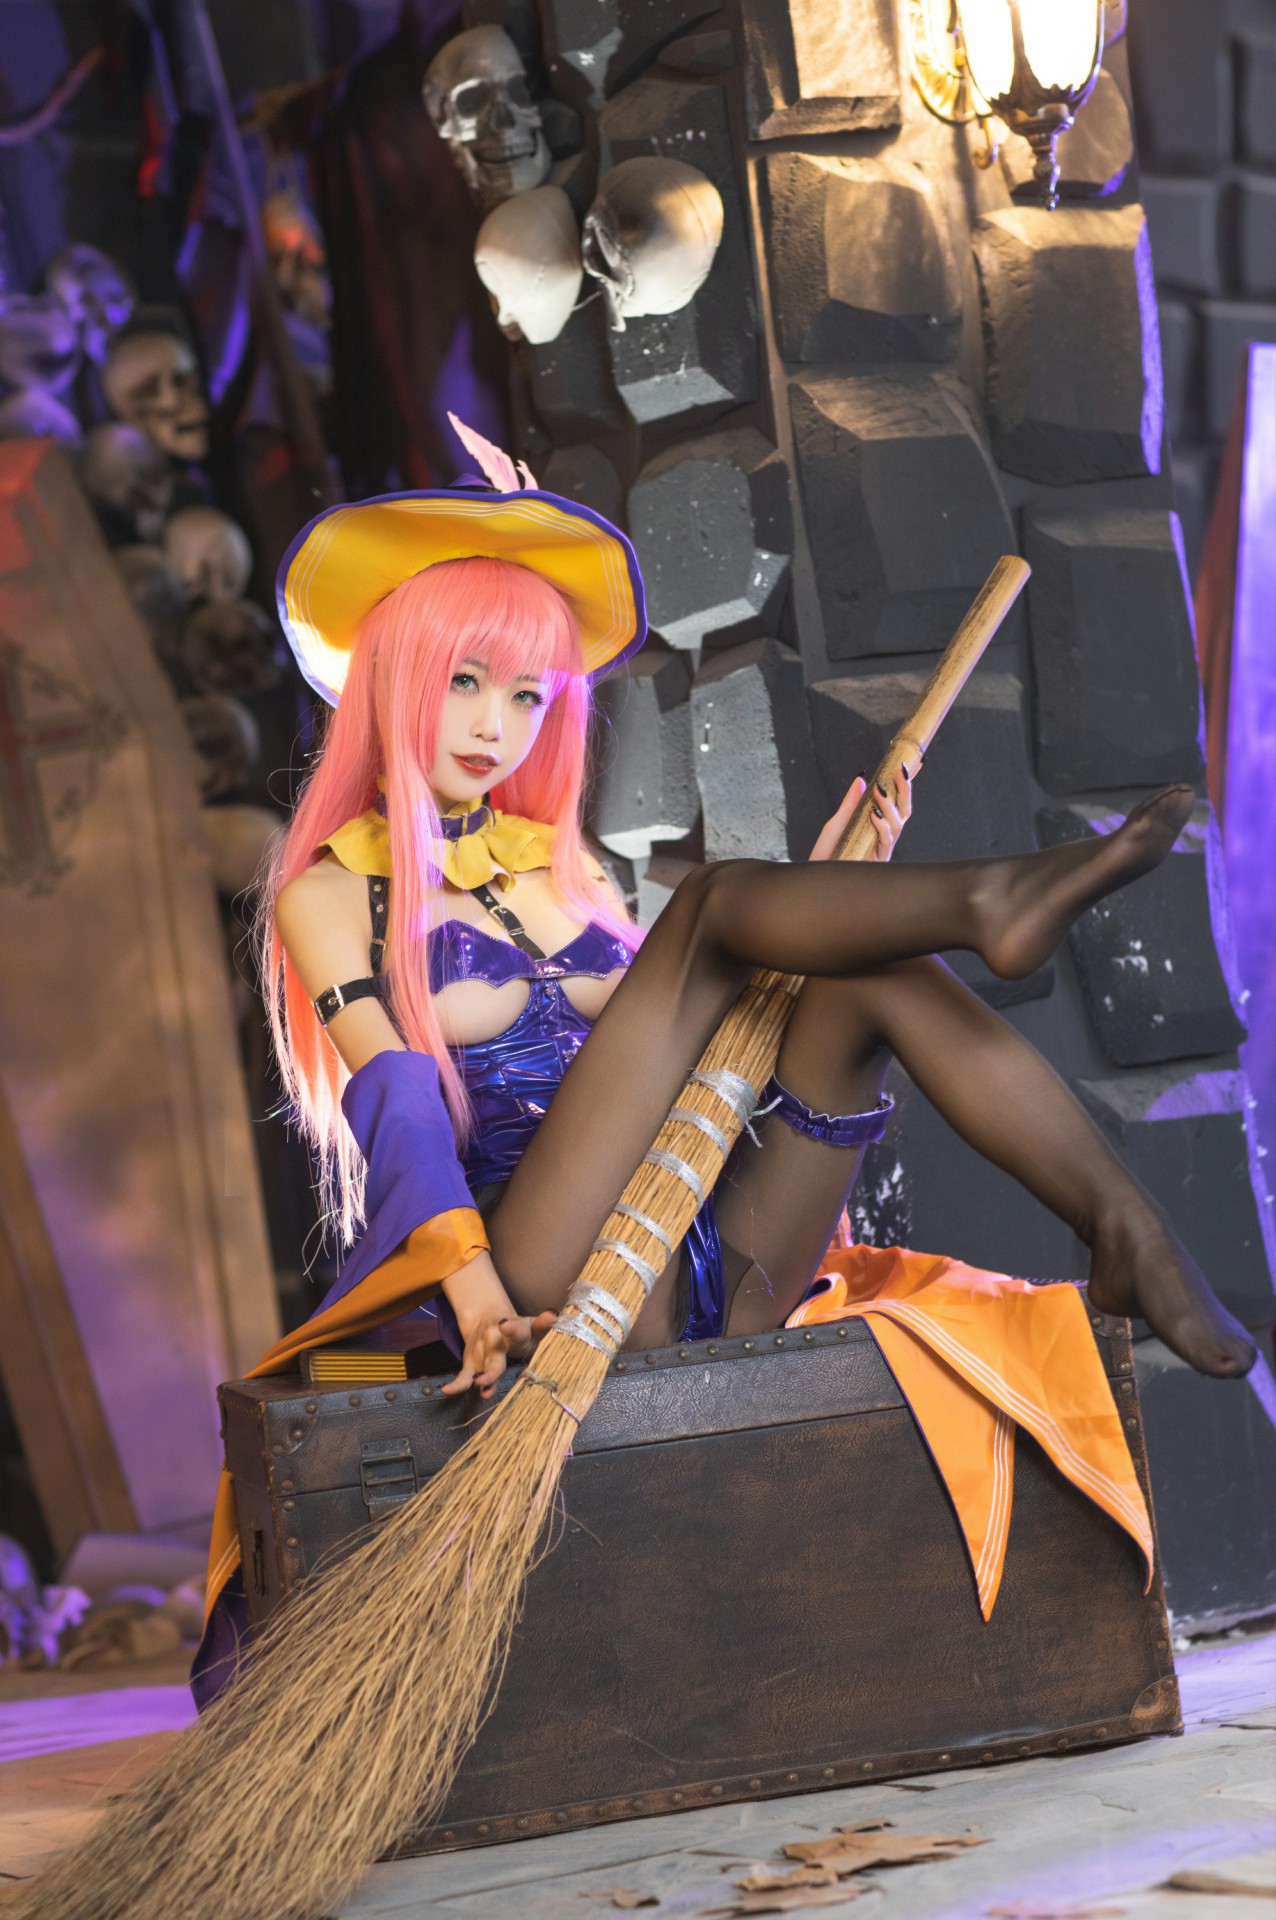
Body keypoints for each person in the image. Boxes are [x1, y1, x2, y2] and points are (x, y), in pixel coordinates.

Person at [262, 423, 1255, 1406]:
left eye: (528, 695)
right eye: (464, 680)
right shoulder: (330, 895)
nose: (495, 725)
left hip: (709, 1264)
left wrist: (836, 905)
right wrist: (474, 1294)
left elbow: (689, 1043)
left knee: (872, 970)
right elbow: (398, 1105)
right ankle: (986, 903)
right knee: (708, 906)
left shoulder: (564, 874)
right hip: (539, 1280)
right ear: (392, 675)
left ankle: (1124, 1228)